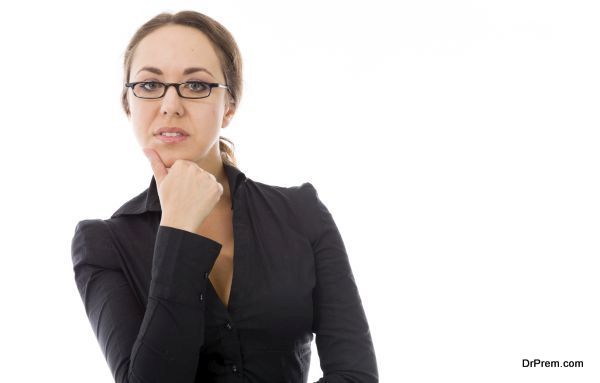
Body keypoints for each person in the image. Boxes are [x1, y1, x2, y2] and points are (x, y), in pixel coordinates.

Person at [70, 10, 378, 383]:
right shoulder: (103, 244)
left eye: (196, 86)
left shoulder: (301, 214)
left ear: (229, 106)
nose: (170, 105)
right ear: (127, 104)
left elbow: (355, 375)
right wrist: (178, 230)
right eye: (150, 85)